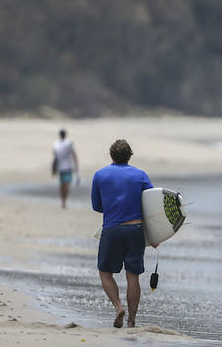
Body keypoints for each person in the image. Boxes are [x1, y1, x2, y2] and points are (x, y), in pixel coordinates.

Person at [91, 139, 153, 328]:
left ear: (111, 155)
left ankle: (118, 306)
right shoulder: (140, 175)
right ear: (129, 156)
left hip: (112, 228)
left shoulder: (100, 175)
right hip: (135, 229)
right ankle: (132, 320)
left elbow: (97, 206)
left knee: (105, 272)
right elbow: (152, 205)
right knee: (132, 275)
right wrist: (155, 236)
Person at [52, 128, 79, 208]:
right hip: (61, 167)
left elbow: (73, 154)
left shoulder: (68, 143)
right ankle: (63, 201)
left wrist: (75, 164)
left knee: (66, 185)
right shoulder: (57, 144)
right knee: (62, 185)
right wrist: (53, 167)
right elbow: (55, 156)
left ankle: (64, 201)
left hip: (68, 167)